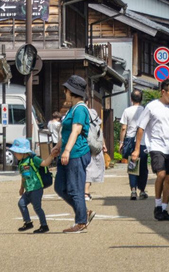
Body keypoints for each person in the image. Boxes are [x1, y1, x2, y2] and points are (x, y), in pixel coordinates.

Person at [131, 79, 169, 221]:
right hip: (156, 146)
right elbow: (141, 128)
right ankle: (157, 205)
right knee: (161, 174)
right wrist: (137, 149)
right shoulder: (152, 107)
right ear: (163, 92)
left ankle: (164, 209)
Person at [51, 75, 96, 233]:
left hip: (76, 153)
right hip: (68, 151)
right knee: (60, 187)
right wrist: (58, 147)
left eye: (66, 91)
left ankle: (81, 221)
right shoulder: (72, 109)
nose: (65, 93)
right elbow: (66, 131)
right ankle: (83, 212)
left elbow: (76, 130)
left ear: (70, 91)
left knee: (75, 188)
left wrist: (68, 150)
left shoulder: (81, 109)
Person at [11, 138, 58, 234]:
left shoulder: (33, 159)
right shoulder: (21, 162)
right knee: (21, 203)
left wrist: (51, 156)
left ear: (24, 152)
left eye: (17, 152)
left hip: (36, 188)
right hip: (28, 189)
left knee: (37, 207)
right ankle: (28, 222)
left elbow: (44, 163)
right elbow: (24, 177)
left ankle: (44, 225)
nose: (15, 154)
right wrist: (22, 188)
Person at [119, 88, 149, 200]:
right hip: (143, 141)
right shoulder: (146, 110)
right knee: (143, 167)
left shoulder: (127, 111)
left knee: (132, 165)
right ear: (141, 99)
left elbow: (123, 128)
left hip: (130, 140)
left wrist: (121, 142)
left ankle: (133, 190)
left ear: (131, 99)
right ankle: (142, 190)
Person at [84, 103, 106, 201]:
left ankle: (83, 192)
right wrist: (103, 144)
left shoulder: (73, 112)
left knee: (85, 168)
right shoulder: (93, 113)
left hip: (79, 144)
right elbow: (98, 130)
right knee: (89, 167)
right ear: (87, 102)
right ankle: (85, 192)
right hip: (92, 144)